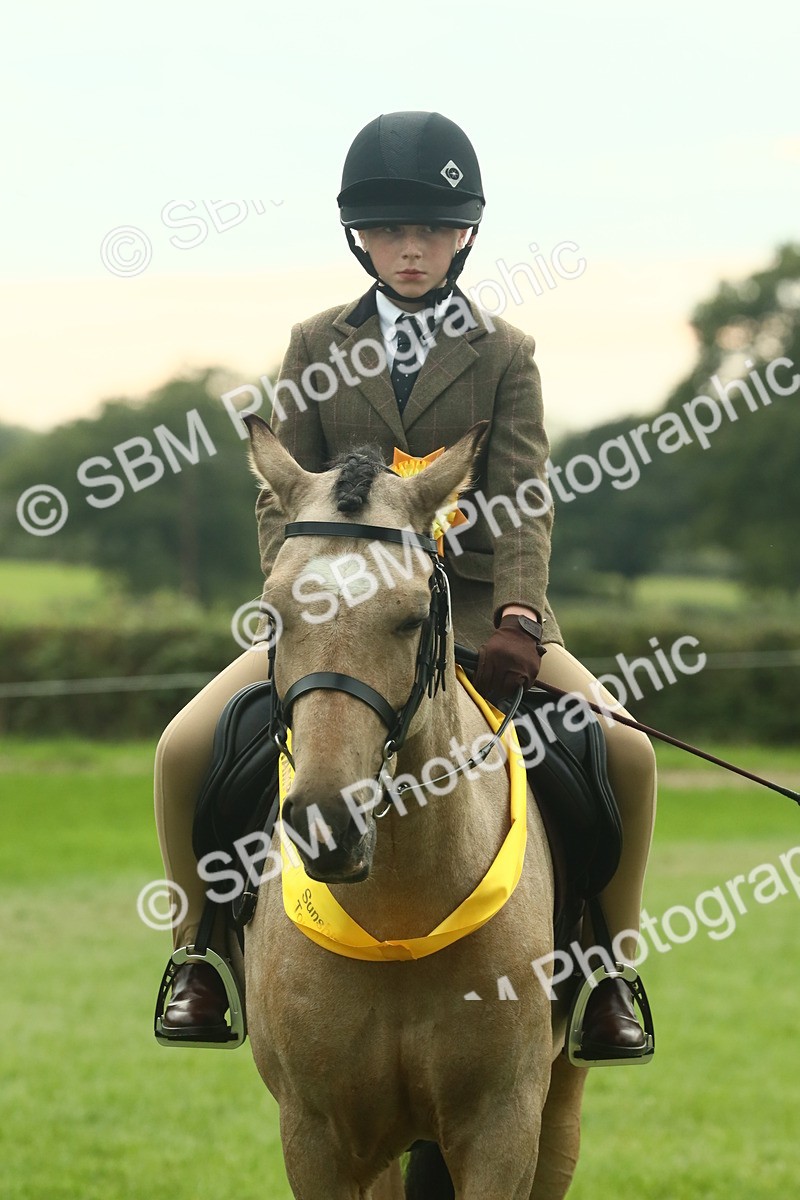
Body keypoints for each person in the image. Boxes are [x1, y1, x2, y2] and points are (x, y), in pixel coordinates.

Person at [155, 111, 656, 1056]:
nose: (411, 249)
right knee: (182, 748)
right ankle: (199, 957)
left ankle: (610, 971)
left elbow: (525, 495)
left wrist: (520, 613)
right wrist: (299, 597)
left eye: (431, 230)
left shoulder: (506, 352)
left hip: (476, 613)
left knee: (626, 751)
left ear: (466, 235)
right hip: (334, 616)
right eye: (390, 231)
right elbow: (281, 491)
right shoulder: (314, 342)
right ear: (361, 238)